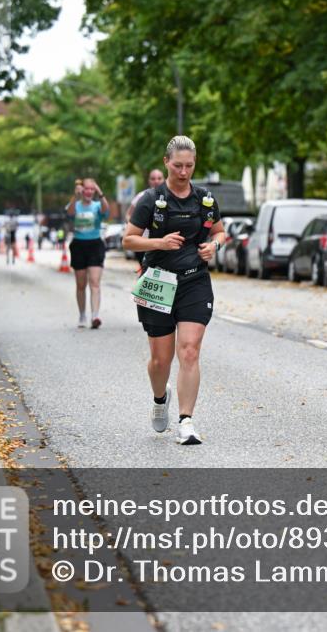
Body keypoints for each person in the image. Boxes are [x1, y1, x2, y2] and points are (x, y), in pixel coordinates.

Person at [123, 136, 226, 445]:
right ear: (166, 162)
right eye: (178, 165)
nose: (184, 172)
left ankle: (186, 422)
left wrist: (213, 246)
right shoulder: (150, 200)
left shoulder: (205, 199)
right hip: (158, 281)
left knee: (190, 351)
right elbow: (128, 240)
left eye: (190, 166)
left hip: (195, 280)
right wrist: (160, 242)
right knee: (160, 360)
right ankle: (159, 399)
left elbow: (220, 232)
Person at [66, 177, 110, 329]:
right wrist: (75, 196)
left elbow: (106, 211)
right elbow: (70, 213)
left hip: (95, 245)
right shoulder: (76, 204)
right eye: (87, 189)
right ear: (81, 189)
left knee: (95, 282)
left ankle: (95, 315)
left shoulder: (97, 205)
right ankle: (82, 314)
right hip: (78, 245)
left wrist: (100, 192)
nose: (89, 192)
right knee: (80, 284)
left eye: (92, 189)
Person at [126, 169, 166, 268]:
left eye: (159, 178)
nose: (156, 181)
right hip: (144, 242)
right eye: (153, 179)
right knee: (146, 271)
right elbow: (128, 214)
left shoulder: (169, 196)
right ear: (149, 181)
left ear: (164, 179)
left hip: (163, 242)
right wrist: (135, 226)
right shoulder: (142, 196)